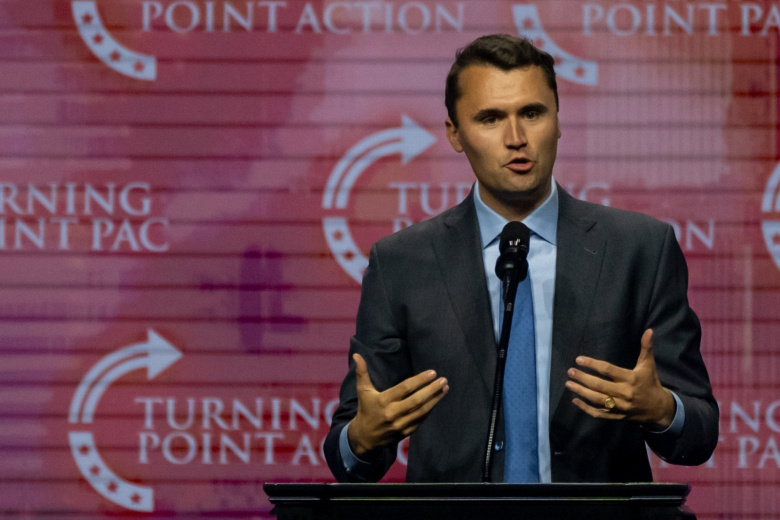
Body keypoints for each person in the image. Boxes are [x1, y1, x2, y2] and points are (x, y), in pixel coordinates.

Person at [323, 34, 718, 483]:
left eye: (532, 113)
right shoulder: (401, 263)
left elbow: (700, 432)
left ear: (558, 120)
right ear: (455, 133)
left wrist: (663, 409)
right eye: (490, 118)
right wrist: (363, 437)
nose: (516, 139)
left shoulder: (640, 249)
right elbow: (348, 453)